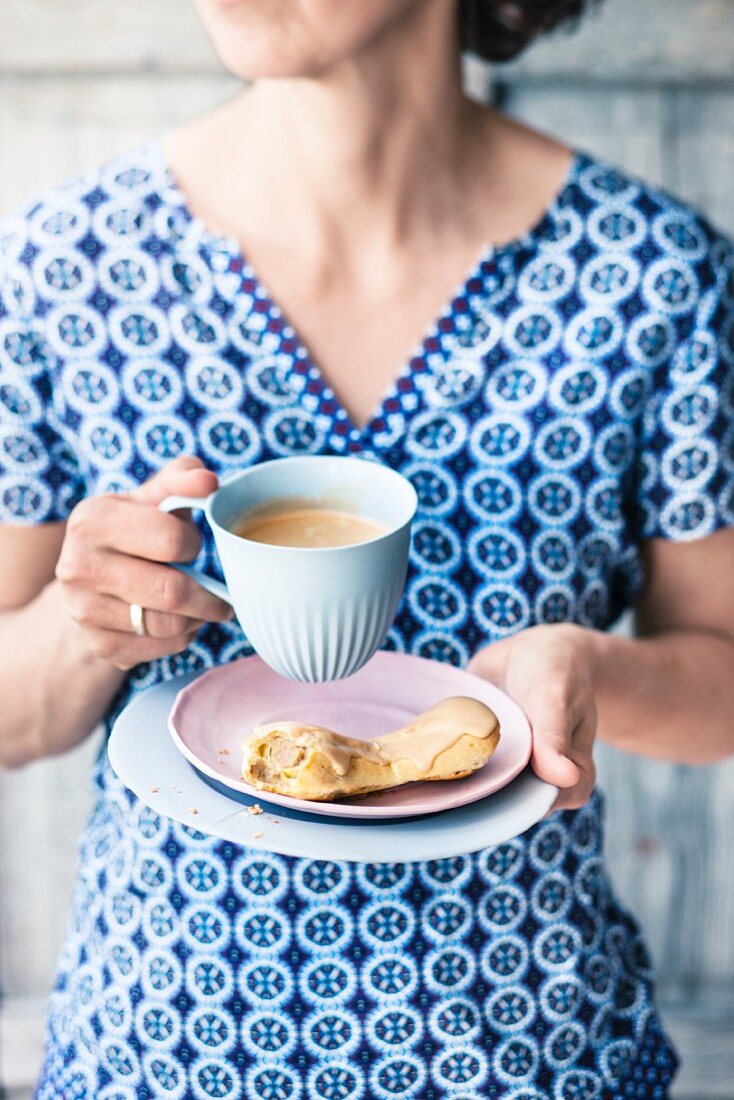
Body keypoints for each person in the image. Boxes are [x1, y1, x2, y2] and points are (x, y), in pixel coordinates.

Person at [1, 0, 733, 1095]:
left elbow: (717, 674)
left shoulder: (655, 279)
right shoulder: (64, 267)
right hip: (160, 1059)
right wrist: (83, 622)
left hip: (529, 1058)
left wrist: (587, 671)